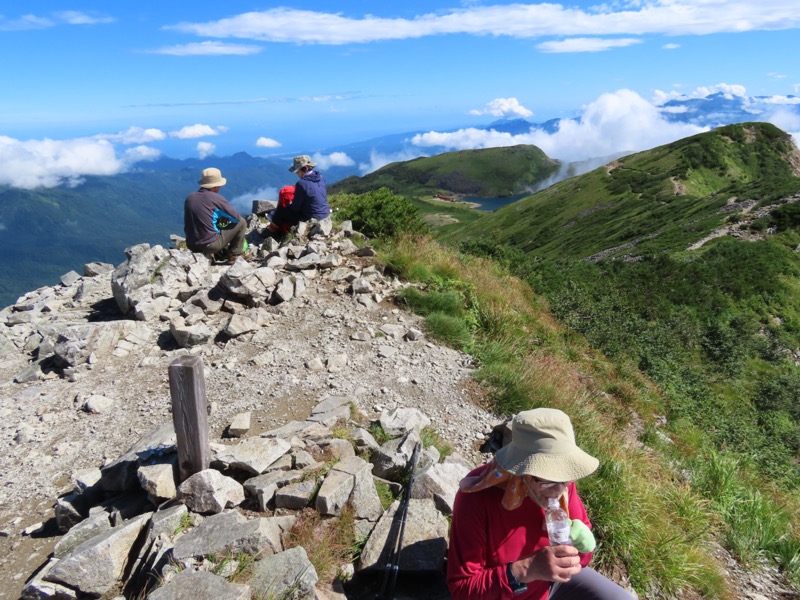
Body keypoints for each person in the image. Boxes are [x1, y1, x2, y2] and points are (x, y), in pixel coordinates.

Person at [447, 408, 634, 600]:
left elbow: (583, 556)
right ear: (522, 471)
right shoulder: (477, 497)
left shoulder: (561, 483)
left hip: (551, 584)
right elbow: (462, 589)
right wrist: (524, 570)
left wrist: (581, 545)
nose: (559, 490)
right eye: (548, 481)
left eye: (566, 479)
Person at [184, 167, 246, 264]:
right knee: (242, 222)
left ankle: (212, 255)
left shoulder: (190, 198)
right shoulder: (215, 198)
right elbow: (236, 218)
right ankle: (234, 256)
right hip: (210, 245)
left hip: (191, 244)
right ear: (215, 186)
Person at [268, 155, 330, 233]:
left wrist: (288, 206)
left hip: (310, 218)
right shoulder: (321, 178)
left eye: (297, 171)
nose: (297, 174)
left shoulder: (301, 184)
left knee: (281, 210)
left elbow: (295, 208)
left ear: (304, 169)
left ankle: (270, 232)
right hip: (325, 214)